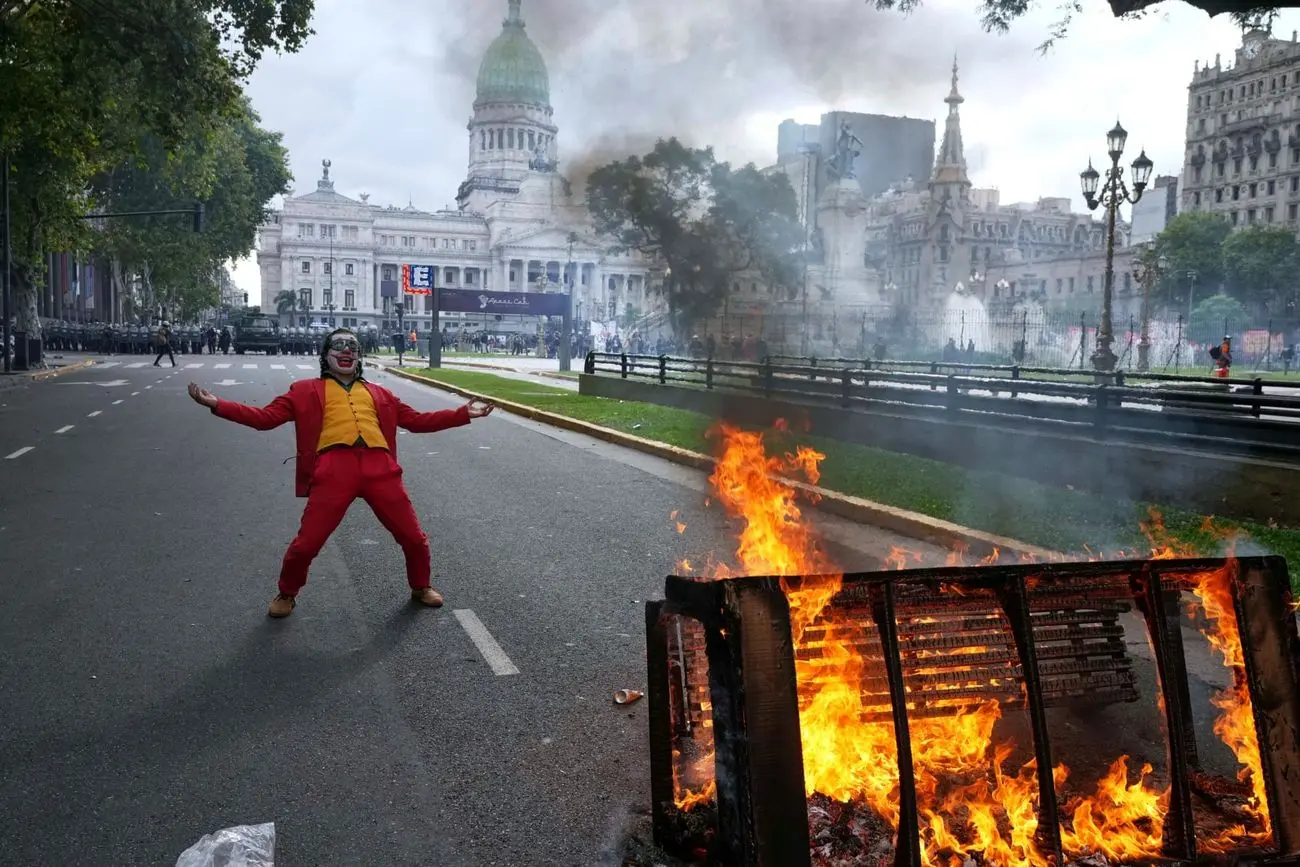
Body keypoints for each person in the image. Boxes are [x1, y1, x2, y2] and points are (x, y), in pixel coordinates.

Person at [187, 327, 495, 618]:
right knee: (307, 544)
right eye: (339, 345)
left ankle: (421, 586)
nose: (346, 351)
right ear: (325, 355)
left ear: (359, 356)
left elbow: (416, 420)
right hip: (333, 470)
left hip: (381, 468)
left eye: (352, 347)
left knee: (413, 537)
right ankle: (286, 593)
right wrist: (218, 404)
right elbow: (264, 418)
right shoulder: (304, 390)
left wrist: (461, 414)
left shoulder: (381, 393)